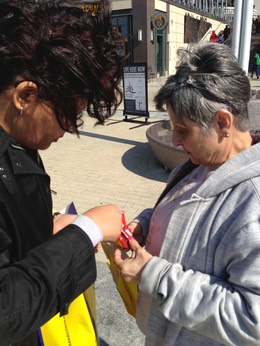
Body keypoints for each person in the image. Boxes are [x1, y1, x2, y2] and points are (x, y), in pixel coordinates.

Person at [115, 42, 260, 345]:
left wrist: (155, 276)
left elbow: (252, 318)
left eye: (183, 130)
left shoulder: (252, 199)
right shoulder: (202, 163)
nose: (176, 141)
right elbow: (184, 216)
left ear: (223, 122)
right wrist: (146, 223)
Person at [0, 0, 125, 345]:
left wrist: (50, 225)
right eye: (68, 115)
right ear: (25, 96)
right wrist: (85, 233)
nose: (69, 130)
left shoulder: (18, 139)